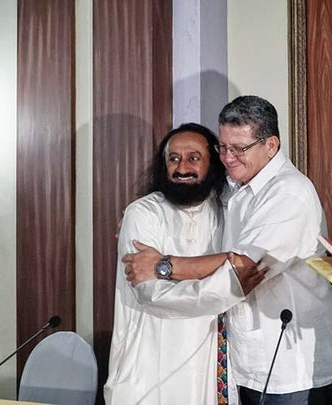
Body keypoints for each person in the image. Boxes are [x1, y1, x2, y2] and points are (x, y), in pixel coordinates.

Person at [124, 96, 332, 405]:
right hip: (247, 363)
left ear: (271, 146)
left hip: (291, 365)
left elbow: (243, 264)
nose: (228, 158)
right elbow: (190, 191)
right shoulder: (235, 186)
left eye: (239, 149)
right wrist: (138, 216)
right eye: (223, 147)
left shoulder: (289, 194)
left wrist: (162, 266)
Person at [104, 123, 265, 405]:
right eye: (173, 159)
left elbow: (253, 261)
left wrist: (165, 266)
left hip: (207, 363)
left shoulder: (228, 211)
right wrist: (230, 286)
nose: (182, 168)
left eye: (193, 158)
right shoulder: (142, 213)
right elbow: (153, 294)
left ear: (212, 164)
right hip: (148, 366)